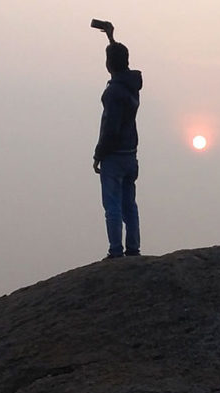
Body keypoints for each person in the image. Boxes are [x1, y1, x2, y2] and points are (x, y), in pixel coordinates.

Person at [92, 25, 143, 259]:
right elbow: (120, 64)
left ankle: (115, 251)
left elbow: (110, 128)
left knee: (112, 205)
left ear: (108, 64)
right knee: (129, 204)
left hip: (114, 155)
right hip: (130, 154)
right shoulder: (132, 85)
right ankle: (133, 248)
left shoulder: (113, 93)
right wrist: (111, 38)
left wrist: (98, 154)